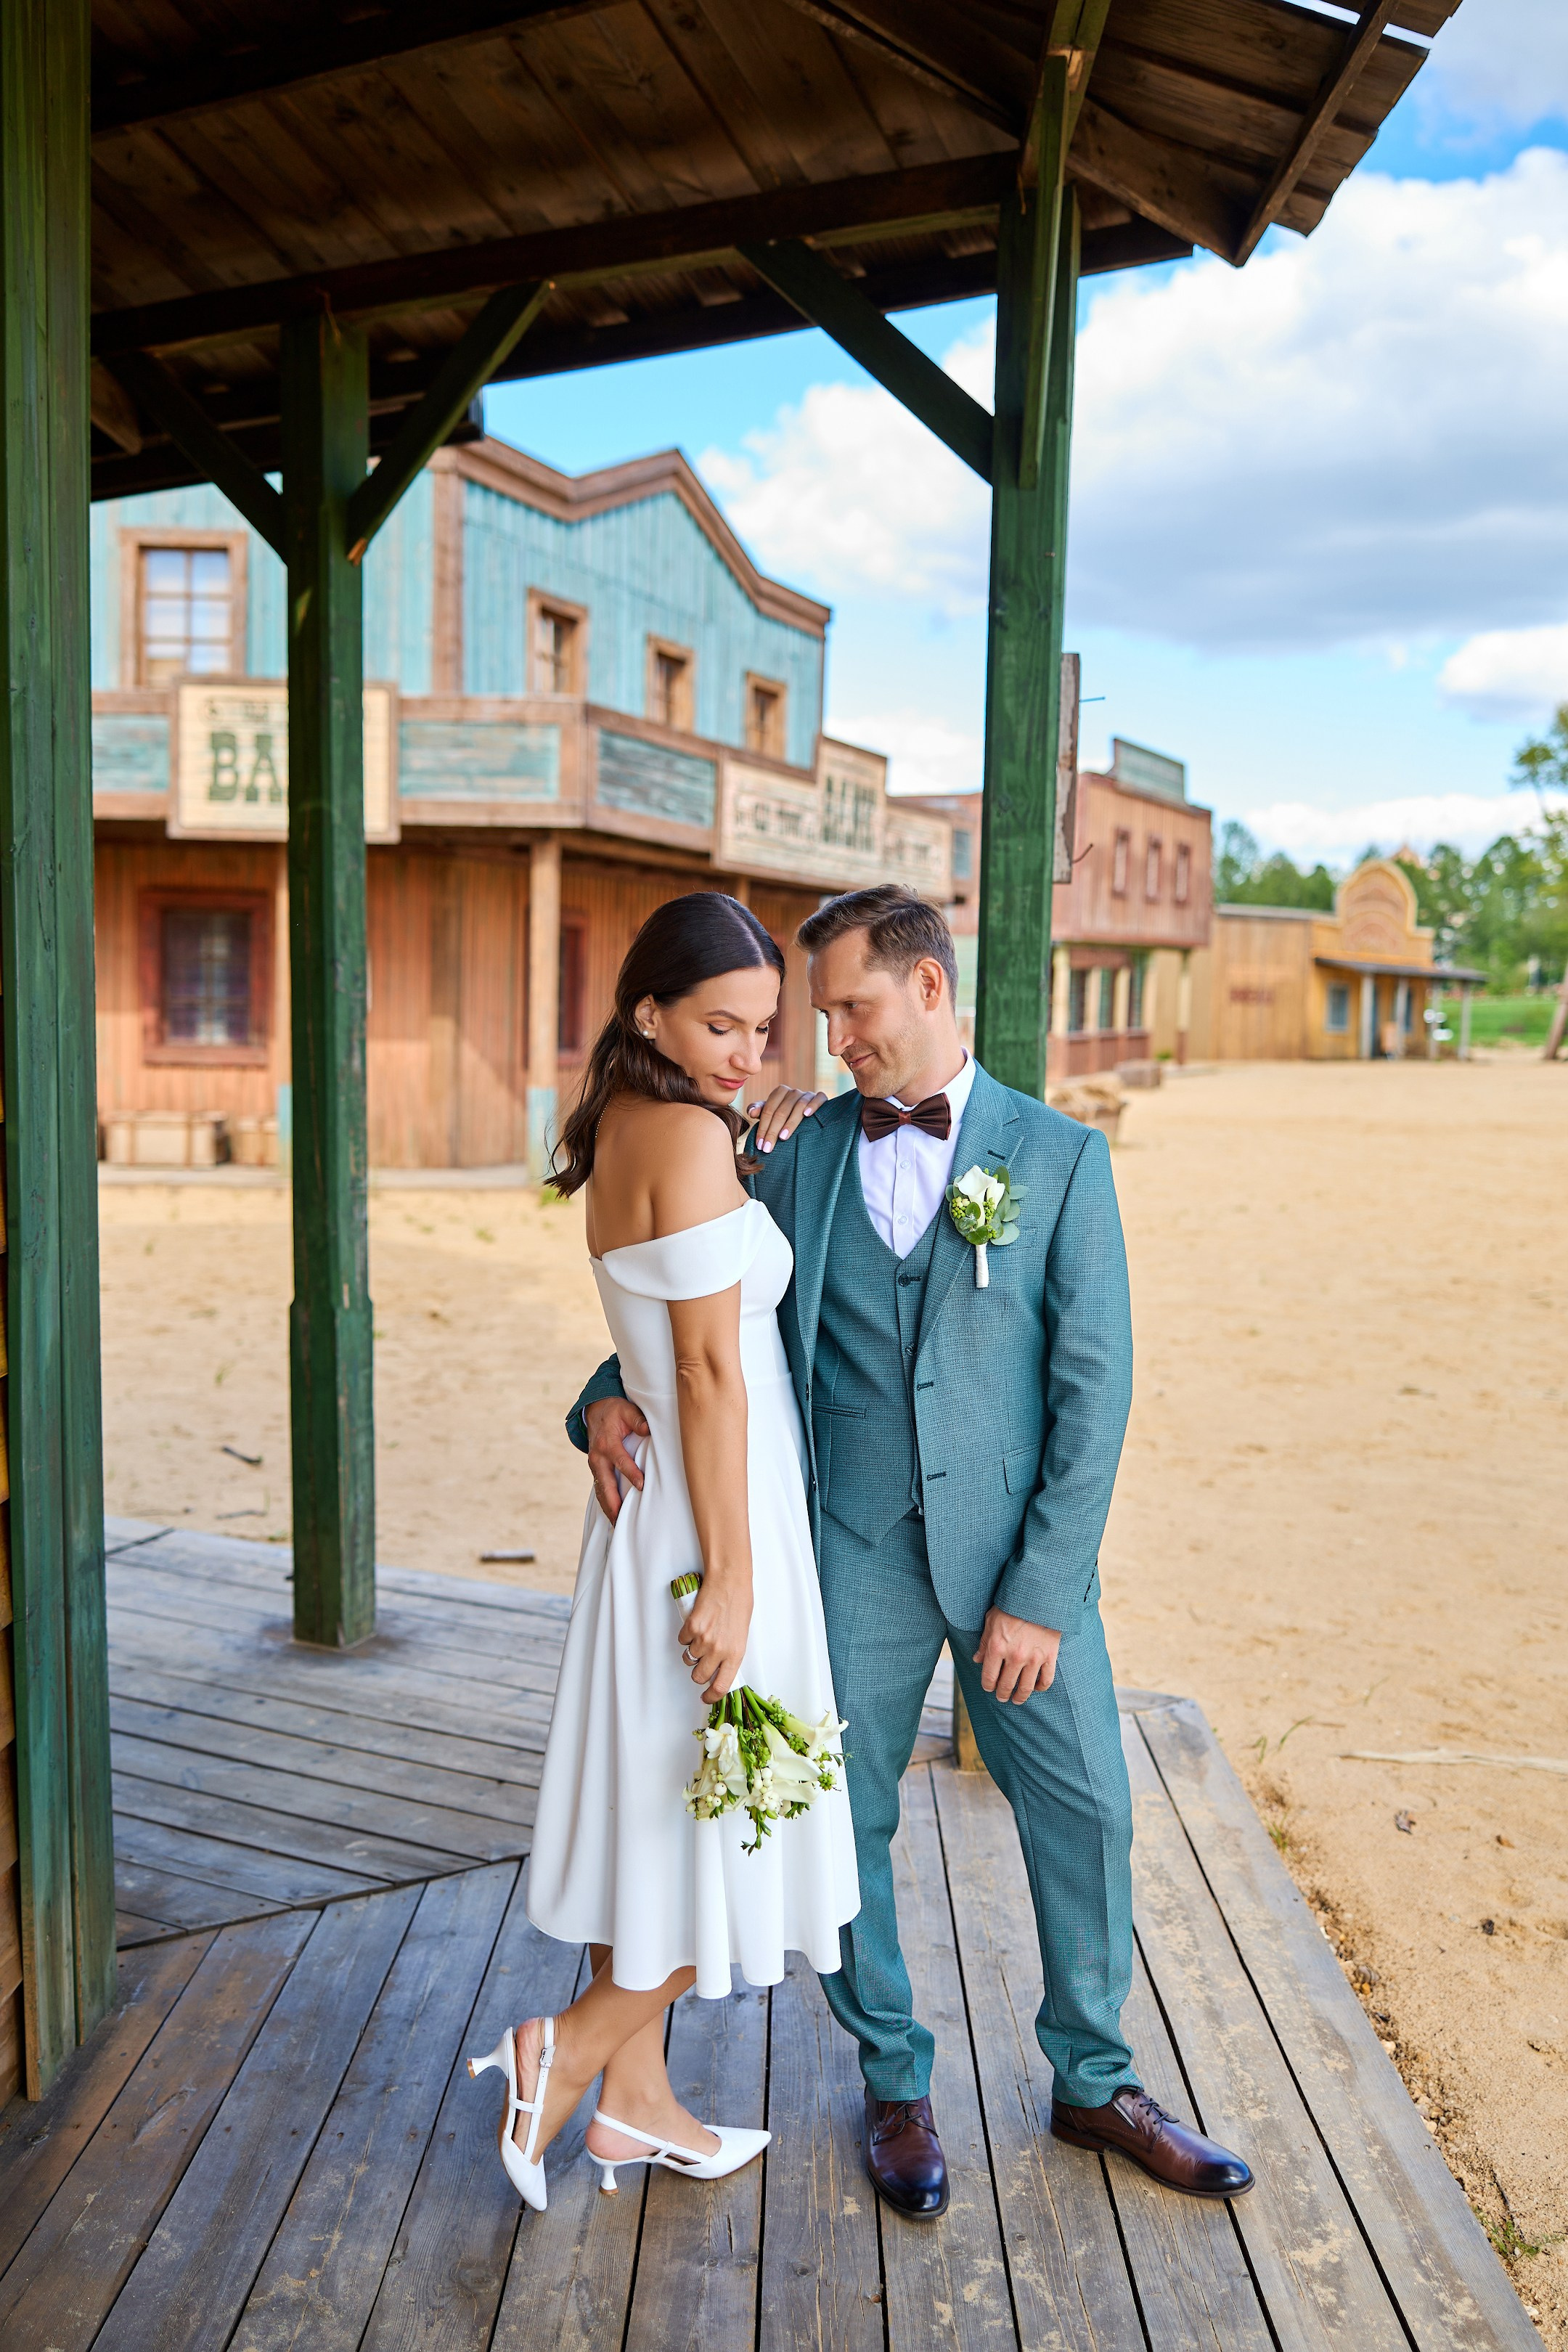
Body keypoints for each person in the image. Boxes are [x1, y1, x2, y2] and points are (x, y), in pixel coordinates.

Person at [571, 883, 1251, 2217]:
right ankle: (893, 2080)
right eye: (820, 1017)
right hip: (850, 1549)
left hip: (1019, 1567)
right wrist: (602, 1391)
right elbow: (694, 1298)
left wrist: (1042, 1590)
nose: (832, 1043)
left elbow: (1096, 1390)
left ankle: (1095, 2077)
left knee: (1089, 1804)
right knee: (843, 1816)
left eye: (852, 1010)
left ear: (930, 987)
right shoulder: (798, 1150)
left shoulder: (1060, 1158)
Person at [470, 891, 857, 2212]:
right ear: (649, 1013)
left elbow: (665, 1342)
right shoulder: (687, 1136)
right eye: (720, 1025)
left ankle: (634, 2109)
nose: (750, 1053)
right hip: (714, 1518)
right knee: (746, 1819)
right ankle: (567, 2051)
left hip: (664, 1517)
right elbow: (703, 1372)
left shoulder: (641, 1124)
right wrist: (737, 1580)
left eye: (764, 1027)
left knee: (667, 1812)